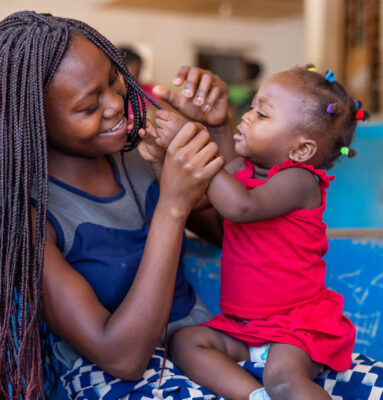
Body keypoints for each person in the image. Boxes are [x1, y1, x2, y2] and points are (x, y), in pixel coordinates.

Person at [0, 11, 231, 400]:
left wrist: (218, 129)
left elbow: (231, 236)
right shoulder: (32, 218)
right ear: (33, 120)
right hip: (113, 378)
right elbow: (122, 358)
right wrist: (173, 207)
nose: (116, 103)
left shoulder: (141, 153)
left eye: (113, 78)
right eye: (89, 107)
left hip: (203, 347)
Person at [143, 65, 370, 400]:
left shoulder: (301, 180)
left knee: (284, 380)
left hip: (294, 327)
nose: (246, 117)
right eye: (252, 107)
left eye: (262, 114)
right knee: (184, 342)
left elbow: (241, 208)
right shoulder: (240, 169)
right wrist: (160, 159)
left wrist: (192, 145)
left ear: (301, 150)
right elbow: (190, 201)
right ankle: (254, 396)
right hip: (242, 326)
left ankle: (274, 390)